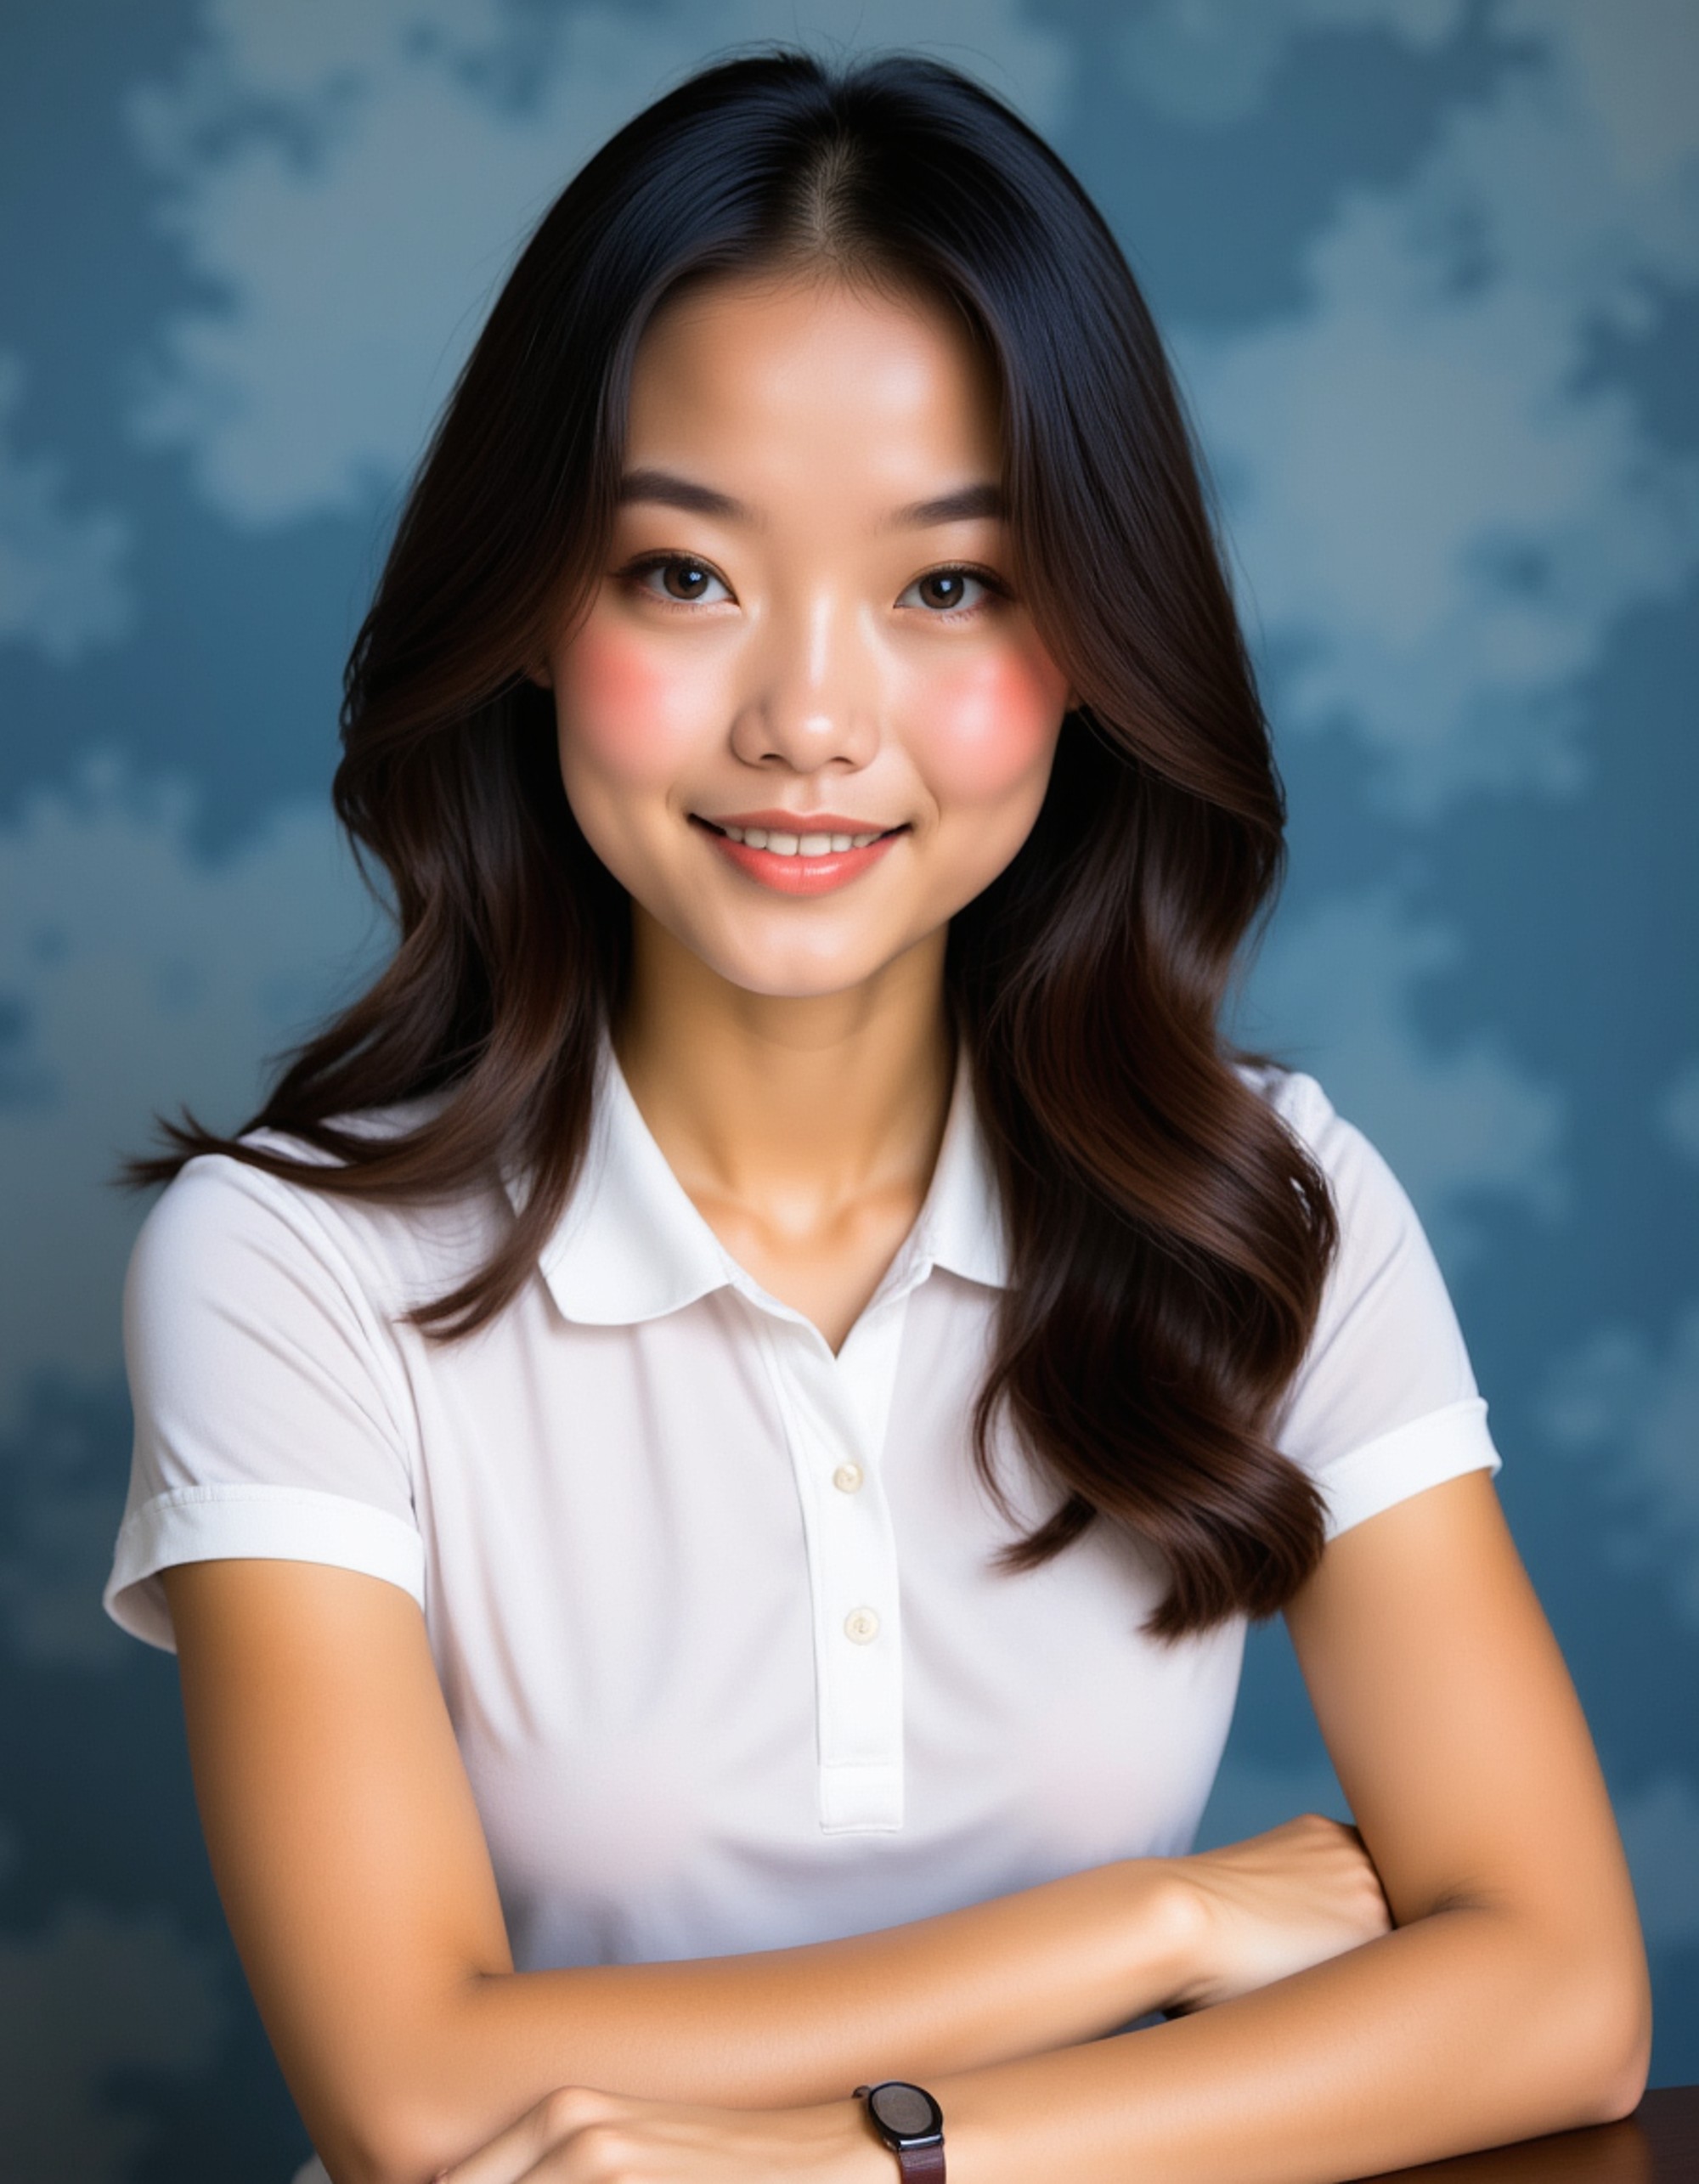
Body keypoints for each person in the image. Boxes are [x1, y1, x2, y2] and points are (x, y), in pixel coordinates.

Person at [103, 48, 1649, 2184]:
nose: (810, 720)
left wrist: (872, 2167)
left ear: (1092, 637)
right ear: (537, 609)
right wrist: (1162, 1914)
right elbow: (411, 2092)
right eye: (682, 572)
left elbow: (1564, 1998)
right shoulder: (291, 1263)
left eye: (948, 585)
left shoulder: (1266, 1199)